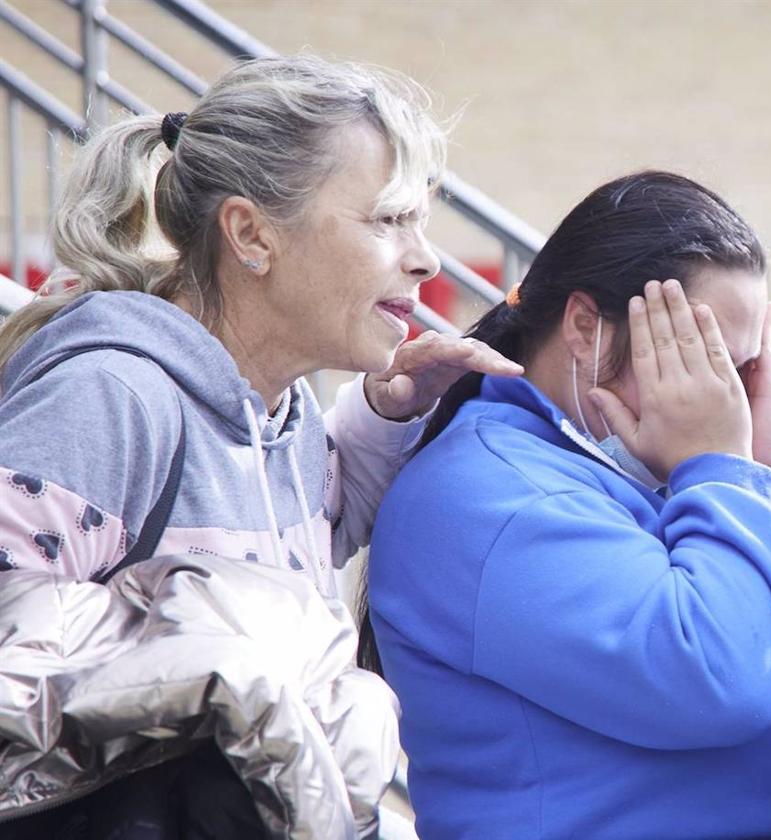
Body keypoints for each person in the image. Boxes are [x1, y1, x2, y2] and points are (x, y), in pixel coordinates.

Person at [0, 55, 518, 837]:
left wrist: (385, 413)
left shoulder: (287, 414)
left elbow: (279, 546)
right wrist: (214, 674)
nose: (425, 257)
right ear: (250, 234)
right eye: (386, 219)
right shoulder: (112, 397)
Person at [367, 171, 771, 839]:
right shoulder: (481, 501)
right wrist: (727, 475)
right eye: (698, 360)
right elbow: (720, 679)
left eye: (741, 369)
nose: (725, 399)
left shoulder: (694, 431)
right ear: (585, 327)